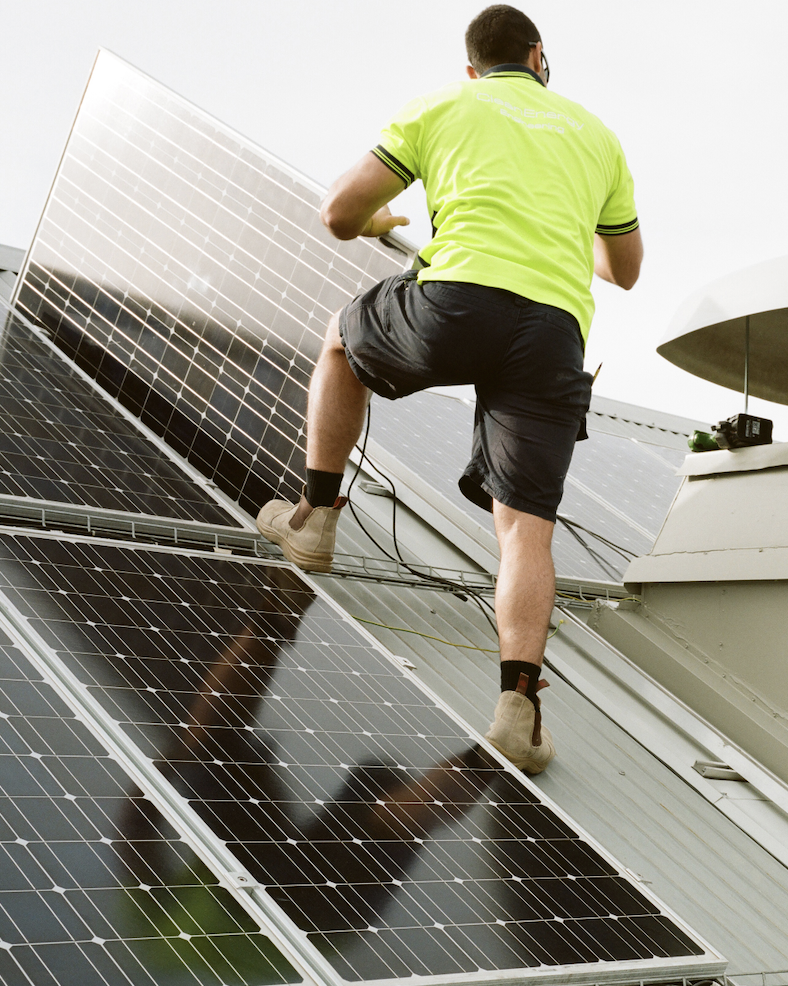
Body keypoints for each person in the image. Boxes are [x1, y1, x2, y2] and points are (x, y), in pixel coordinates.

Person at [255, 5, 643, 775]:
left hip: (457, 303)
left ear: (474, 68)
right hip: (553, 331)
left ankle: (315, 517)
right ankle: (518, 711)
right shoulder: (597, 135)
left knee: (340, 339)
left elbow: (337, 212)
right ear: (539, 57)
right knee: (525, 531)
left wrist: (376, 222)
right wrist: (570, 224)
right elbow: (623, 270)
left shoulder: (444, 105)